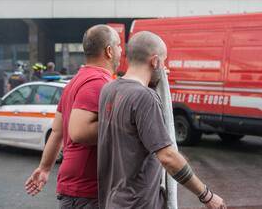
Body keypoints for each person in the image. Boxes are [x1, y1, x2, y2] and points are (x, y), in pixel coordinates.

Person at [97, 31, 227, 209]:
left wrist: (152, 80)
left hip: (112, 201)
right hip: (138, 204)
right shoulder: (145, 98)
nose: (165, 68)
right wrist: (206, 195)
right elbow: (167, 157)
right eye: (163, 61)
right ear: (155, 61)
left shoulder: (108, 89)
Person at [24, 24, 122, 209]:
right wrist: (126, 120)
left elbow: (56, 132)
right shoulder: (98, 82)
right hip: (88, 192)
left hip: (74, 189)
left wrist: (45, 168)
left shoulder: (74, 82)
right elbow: (79, 132)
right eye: (118, 46)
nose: (121, 50)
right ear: (109, 51)